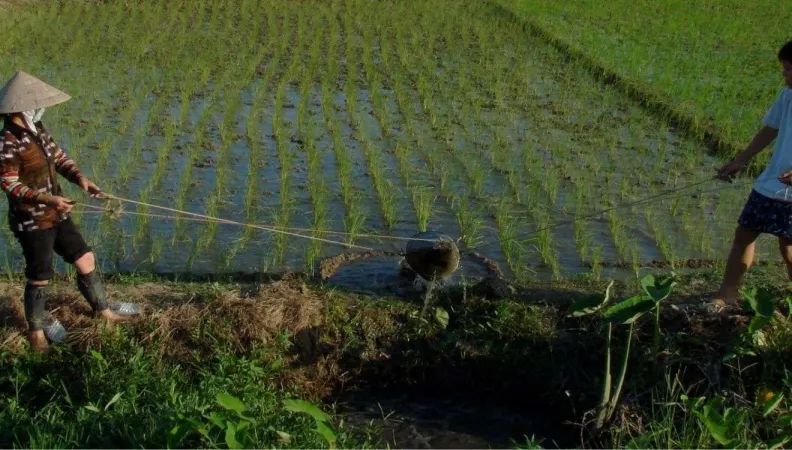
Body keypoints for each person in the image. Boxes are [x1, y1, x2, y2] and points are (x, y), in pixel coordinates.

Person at [0, 71, 135, 352]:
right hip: (32, 220)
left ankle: (102, 310)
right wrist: (47, 199)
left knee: (84, 258)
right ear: (20, 107)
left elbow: (59, 157)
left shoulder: (38, 129)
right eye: (35, 103)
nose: (40, 107)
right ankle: (35, 332)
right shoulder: (8, 141)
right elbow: (8, 183)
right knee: (40, 274)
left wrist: (81, 179)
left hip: (57, 212)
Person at [715, 40, 792, 310]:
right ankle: (726, 296)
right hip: (770, 184)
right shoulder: (787, 97)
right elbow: (769, 130)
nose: (785, 75)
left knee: (789, 248)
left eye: (788, 69)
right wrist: (741, 159)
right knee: (744, 234)